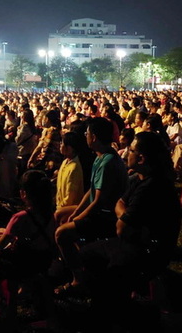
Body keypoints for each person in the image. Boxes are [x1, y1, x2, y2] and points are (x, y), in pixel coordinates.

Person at [71, 131, 180, 331]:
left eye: (131, 149)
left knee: (112, 268)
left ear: (141, 158)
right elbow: (119, 203)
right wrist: (124, 213)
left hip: (149, 250)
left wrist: (123, 215)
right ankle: (110, 302)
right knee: (88, 253)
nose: (126, 152)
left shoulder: (152, 186)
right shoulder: (139, 178)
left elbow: (121, 228)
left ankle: (113, 312)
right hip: (135, 240)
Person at [54, 117, 128, 292]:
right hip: (98, 208)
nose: (85, 136)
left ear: (93, 137)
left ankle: (78, 279)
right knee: (59, 214)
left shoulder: (108, 162)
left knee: (61, 234)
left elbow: (98, 200)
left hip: (106, 214)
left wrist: (79, 217)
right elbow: (91, 190)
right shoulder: (100, 157)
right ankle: (76, 260)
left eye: (87, 133)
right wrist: (76, 212)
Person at [0, 170, 56, 323]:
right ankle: (20, 294)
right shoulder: (52, 214)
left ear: (23, 193)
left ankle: (0, 298)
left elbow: (1, 244)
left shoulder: (20, 217)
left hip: (22, 263)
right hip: (43, 260)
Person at [54, 132, 86, 225]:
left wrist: (60, 209)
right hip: (60, 208)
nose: (60, 145)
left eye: (62, 143)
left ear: (69, 148)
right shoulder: (65, 162)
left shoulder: (74, 167)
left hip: (67, 213)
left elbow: (70, 198)